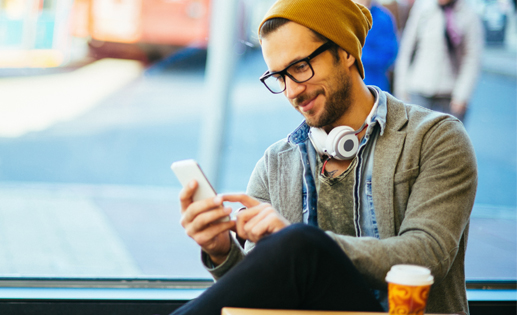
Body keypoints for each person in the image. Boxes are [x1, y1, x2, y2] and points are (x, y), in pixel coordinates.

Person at [173, 0, 477, 314]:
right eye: (280, 78)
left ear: (346, 51)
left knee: (300, 241)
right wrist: (221, 251)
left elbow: (428, 255)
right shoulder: (275, 164)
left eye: (300, 67)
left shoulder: (436, 138)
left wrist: (303, 245)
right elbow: (260, 288)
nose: (292, 91)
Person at [394, 0, 483, 122]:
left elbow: (472, 58)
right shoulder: (423, 8)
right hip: (419, 88)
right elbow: (406, 49)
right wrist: (401, 88)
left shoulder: (467, 14)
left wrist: (462, 96)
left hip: (450, 93)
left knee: (450, 139)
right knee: (417, 138)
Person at [354, 0, 399, 92]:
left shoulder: (383, 18)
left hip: (374, 86)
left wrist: (356, 53)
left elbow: (389, 55)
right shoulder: (343, 16)